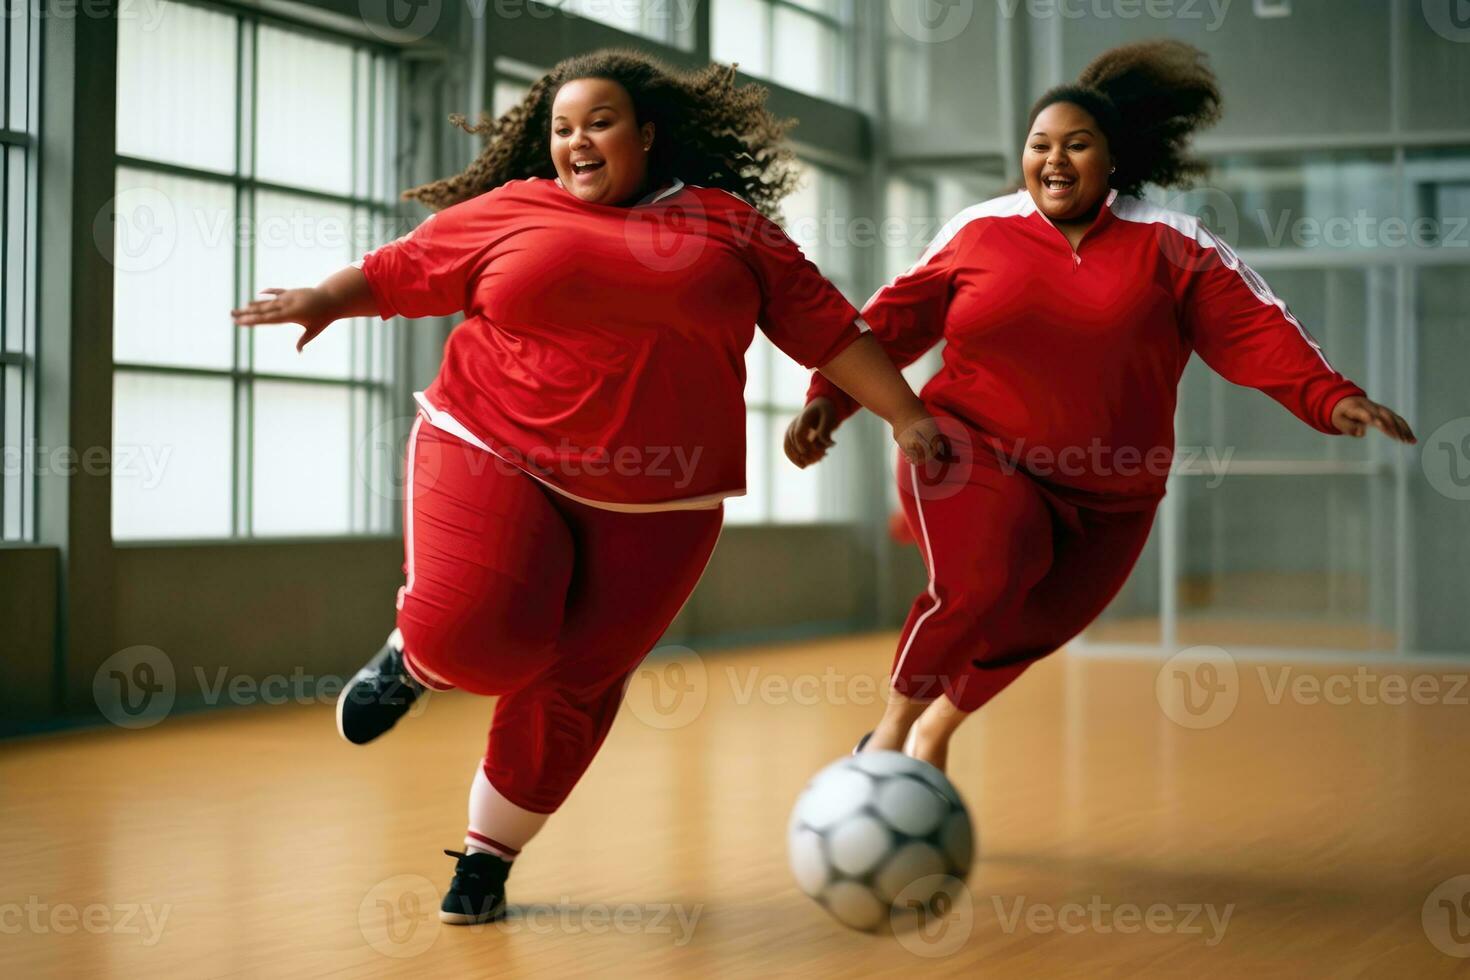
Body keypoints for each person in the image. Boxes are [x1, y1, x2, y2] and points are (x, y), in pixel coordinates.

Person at [232, 49, 940, 924]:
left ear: (645, 134)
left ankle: (486, 861)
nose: (577, 141)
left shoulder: (731, 228)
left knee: (573, 687)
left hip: (665, 501)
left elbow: (830, 331)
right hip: (493, 445)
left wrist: (906, 417)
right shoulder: (510, 210)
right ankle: (418, 659)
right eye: (562, 128)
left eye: (599, 122)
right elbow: (394, 272)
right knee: (480, 634)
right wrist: (322, 299)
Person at [785, 39, 1416, 774]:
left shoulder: (1171, 245)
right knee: (981, 581)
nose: (1054, 160)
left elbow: (1255, 327)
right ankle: (888, 742)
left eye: (1076, 145)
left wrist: (1332, 398)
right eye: (1038, 144)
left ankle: (935, 733)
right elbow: (886, 325)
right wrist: (829, 400)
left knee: (1032, 626)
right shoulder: (979, 232)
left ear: (1111, 157)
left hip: (1112, 497)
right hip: (969, 448)